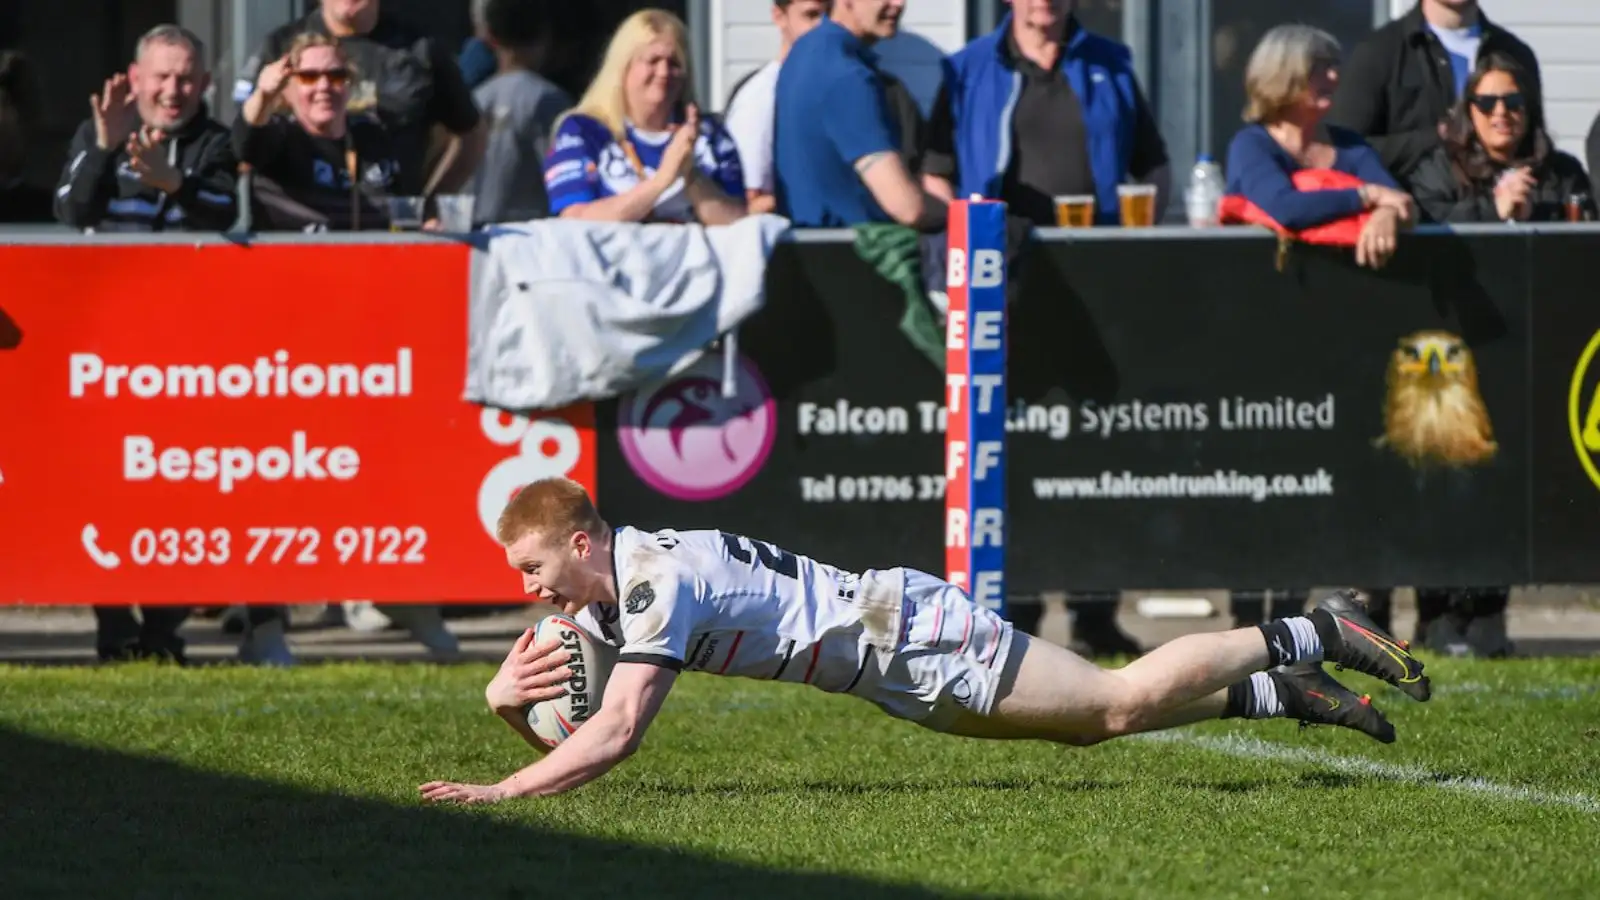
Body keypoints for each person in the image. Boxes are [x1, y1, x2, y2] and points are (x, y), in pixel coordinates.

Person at [418, 477, 1429, 804]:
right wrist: (509, 709)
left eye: (534, 568)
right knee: (1086, 727)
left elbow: (617, 737)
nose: (527, 591)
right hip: (883, 656)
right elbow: (578, 738)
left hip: (902, 638)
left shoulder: (647, 584)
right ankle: (1278, 693)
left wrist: (499, 791)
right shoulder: (617, 586)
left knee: (1114, 701)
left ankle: (1310, 629)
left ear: (582, 542)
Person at [1223, 24, 1414, 270]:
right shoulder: (1251, 145)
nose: (1334, 77)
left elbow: (1397, 198)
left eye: (1334, 66)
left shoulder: (1349, 144)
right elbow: (1286, 209)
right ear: (1283, 75)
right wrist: (1367, 196)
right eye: (1318, 67)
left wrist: (1386, 213)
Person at [543, 9, 745, 226]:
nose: (664, 72)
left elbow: (740, 225)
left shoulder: (709, 134)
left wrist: (691, 175)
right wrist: (662, 180)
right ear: (623, 67)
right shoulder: (583, 131)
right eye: (653, 60)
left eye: (674, 63)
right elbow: (574, 219)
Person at [1325, 0, 1542, 191]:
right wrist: (1437, 137)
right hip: (1414, 225)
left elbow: (1535, 144)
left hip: (1505, 226)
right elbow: (1344, 151)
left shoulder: (1514, 53)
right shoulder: (1379, 53)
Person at [771, 0, 945, 229]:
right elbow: (907, 207)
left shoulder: (805, 53)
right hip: (850, 253)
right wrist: (964, 217)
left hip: (808, 248)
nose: (899, 4)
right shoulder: (845, 75)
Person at [234, 33, 403, 231]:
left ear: (349, 85)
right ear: (288, 89)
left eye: (336, 76)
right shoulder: (281, 136)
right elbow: (246, 144)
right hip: (294, 259)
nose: (324, 86)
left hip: (371, 257)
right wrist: (263, 96)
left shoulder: (372, 138)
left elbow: (405, 207)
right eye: (309, 77)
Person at [1409, 52, 1595, 226]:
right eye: (1487, 103)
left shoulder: (1563, 172)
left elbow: (1582, 238)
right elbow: (1432, 227)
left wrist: (1534, 213)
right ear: (1469, 111)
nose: (1501, 112)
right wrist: (1494, 210)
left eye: (1513, 102)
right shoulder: (1439, 170)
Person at [468, 0, 573, 225]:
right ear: (546, 37)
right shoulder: (548, 100)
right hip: (528, 236)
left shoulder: (475, 97)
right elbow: (562, 177)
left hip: (473, 230)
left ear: (490, 38)